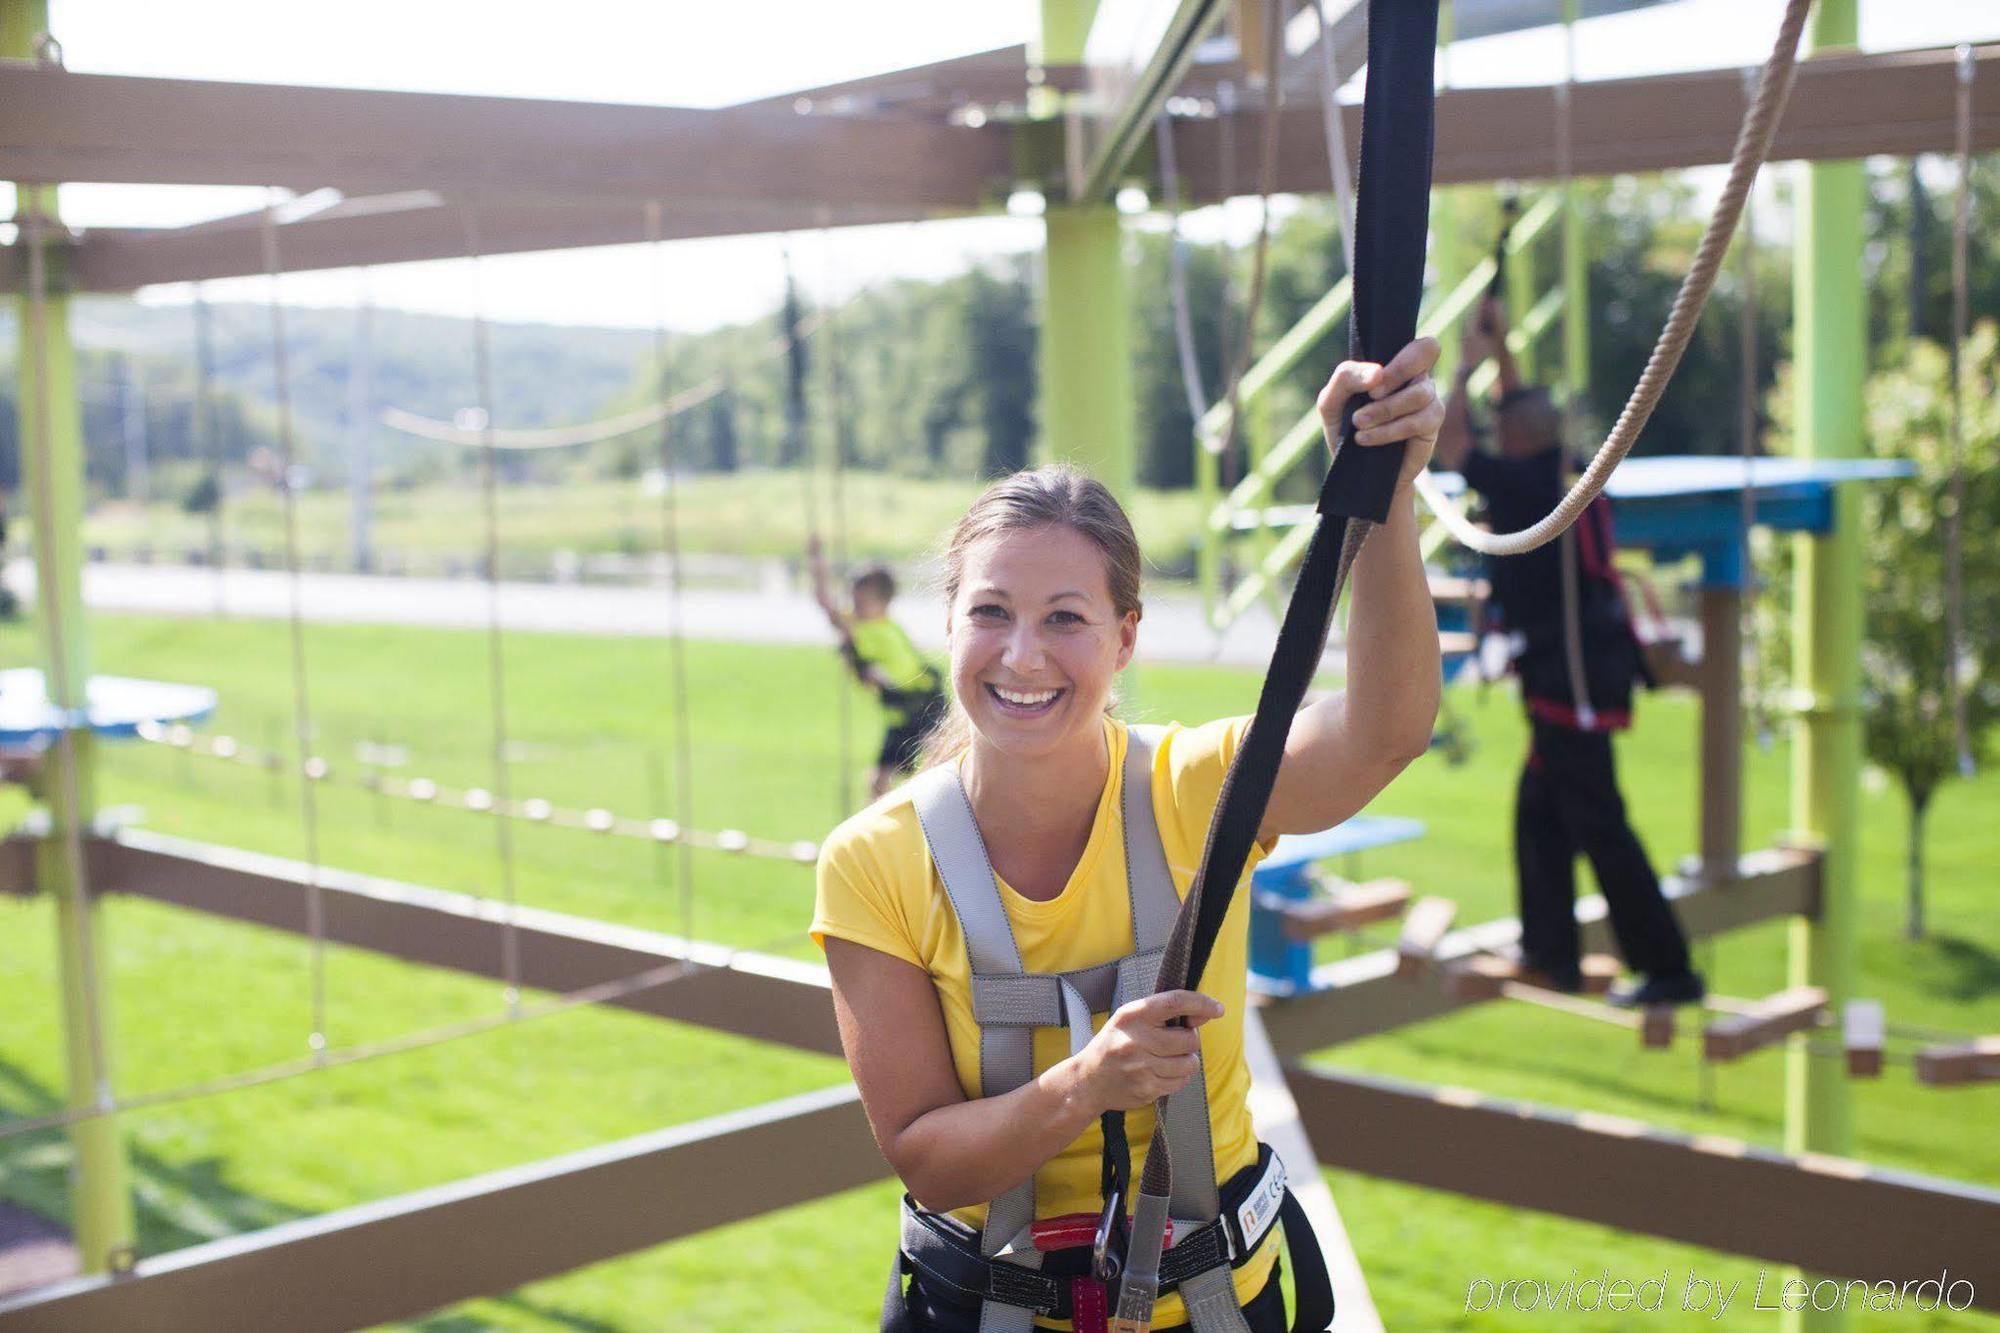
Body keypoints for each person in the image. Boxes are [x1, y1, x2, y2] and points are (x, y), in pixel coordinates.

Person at [812, 339, 1445, 1332]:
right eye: (990, 612)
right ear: (947, 625)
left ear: (1125, 637)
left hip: (1210, 1307)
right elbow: (926, 1159)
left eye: (1065, 617)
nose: (1021, 654)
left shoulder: (1195, 786)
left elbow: (1384, 730)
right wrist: (1084, 1083)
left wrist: (1385, 495)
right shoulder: (873, 860)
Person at [1433, 296, 1703, 1009]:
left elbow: (1452, 445)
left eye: (1504, 425)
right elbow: (1523, 412)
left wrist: (1463, 367)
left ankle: (1668, 967)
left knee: (1599, 826)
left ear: (1517, 438)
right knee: (1540, 814)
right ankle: (1550, 952)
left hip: (1570, 681)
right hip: (1578, 672)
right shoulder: (1564, 467)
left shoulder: (1522, 485)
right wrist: (1503, 350)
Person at [809, 537, 950, 799]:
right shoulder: (854, 627)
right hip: (898, 714)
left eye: (862, 603)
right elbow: (823, 600)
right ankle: (876, 833)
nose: (855, 607)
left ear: (883, 602)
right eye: (853, 601)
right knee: (877, 781)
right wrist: (817, 560)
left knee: (940, 762)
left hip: (924, 702)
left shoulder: (884, 628)